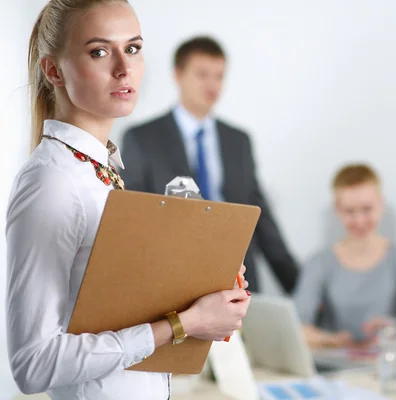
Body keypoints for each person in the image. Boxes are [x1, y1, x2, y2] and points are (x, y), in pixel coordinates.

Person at [6, 1, 250, 398]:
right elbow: (34, 364)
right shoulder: (52, 182)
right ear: (53, 70)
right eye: (99, 51)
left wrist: (202, 285)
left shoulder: (100, 170)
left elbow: (113, 313)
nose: (124, 68)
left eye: (133, 48)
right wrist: (182, 324)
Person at [119, 36, 298, 294]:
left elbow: (262, 220)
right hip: (172, 280)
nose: (212, 85)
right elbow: (132, 218)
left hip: (238, 280)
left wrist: (301, 291)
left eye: (219, 76)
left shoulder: (238, 141)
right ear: (178, 75)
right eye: (202, 74)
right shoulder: (142, 138)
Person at [293, 164, 396, 349]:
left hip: (394, 362)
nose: (359, 221)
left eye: (367, 209)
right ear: (337, 209)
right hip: (338, 367)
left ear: (380, 204)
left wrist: (395, 336)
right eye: (349, 211)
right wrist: (334, 341)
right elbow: (296, 328)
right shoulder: (318, 263)